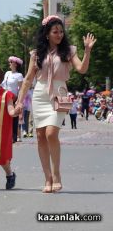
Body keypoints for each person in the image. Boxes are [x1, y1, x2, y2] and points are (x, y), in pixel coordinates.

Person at [15, 15, 96, 193]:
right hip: (39, 94)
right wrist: (20, 101)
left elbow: (82, 69)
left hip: (61, 93)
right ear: (47, 34)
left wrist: (87, 51)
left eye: (61, 31)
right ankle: (47, 178)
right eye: (55, 31)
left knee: (52, 133)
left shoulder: (69, 51)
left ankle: (57, 174)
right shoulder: (36, 54)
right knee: (40, 136)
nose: (59, 34)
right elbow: (28, 79)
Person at [2, 56, 24, 143]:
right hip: (6, 97)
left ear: (15, 64)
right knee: (5, 118)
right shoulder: (7, 73)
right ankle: (6, 135)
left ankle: (14, 137)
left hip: (14, 98)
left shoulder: (19, 75)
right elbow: (3, 84)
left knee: (14, 118)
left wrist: (19, 101)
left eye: (11, 62)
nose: (9, 64)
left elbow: (21, 89)